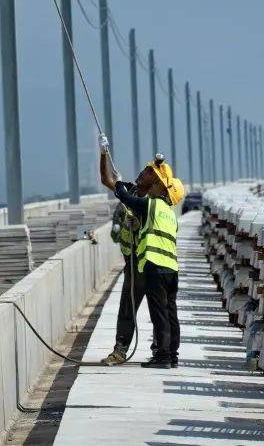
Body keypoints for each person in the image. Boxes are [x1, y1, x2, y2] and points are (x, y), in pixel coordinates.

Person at [99, 146, 182, 368]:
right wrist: (104, 153)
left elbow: (121, 193)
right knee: (130, 307)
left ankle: (161, 352)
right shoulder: (135, 192)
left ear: (156, 180)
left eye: (147, 171)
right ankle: (123, 351)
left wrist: (120, 187)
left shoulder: (151, 202)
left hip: (149, 263)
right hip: (136, 263)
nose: (142, 172)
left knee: (160, 312)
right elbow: (107, 179)